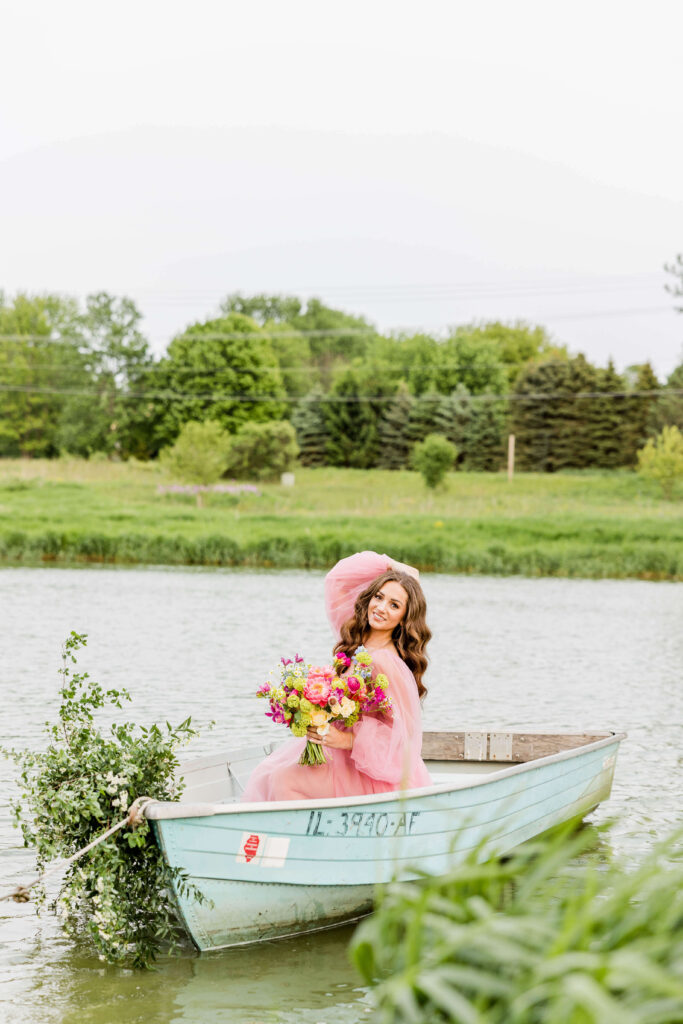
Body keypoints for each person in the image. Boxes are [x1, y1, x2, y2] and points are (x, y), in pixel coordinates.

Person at [240, 550, 433, 802]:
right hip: (338, 753)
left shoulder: (386, 662)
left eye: (394, 605)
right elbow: (336, 580)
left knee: (282, 780)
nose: (381, 608)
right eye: (379, 597)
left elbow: (401, 737)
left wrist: (346, 738)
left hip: (367, 768)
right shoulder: (359, 641)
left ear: (404, 619)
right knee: (270, 773)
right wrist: (392, 565)